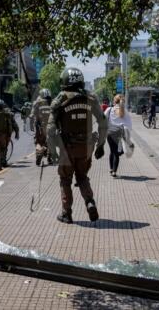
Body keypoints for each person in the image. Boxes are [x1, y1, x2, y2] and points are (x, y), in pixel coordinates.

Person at [47, 67, 108, 224]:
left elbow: (50, 129)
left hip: (67, 148)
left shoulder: (59, 100)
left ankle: (66, 213)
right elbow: (103, 123)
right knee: (82, 177)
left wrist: (52, 150)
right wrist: (101, 145)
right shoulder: (91, 97)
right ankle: (90, 202)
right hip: (86, 148)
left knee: (65, 179)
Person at [105, 94, 133, 177]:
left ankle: (111, 169)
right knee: (117, 153)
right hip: (119, 134)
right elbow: (129, 124)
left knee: (112, 151)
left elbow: (102, 119)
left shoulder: (109, 109)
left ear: (114, 101)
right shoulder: (124, 111)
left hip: (110, 133)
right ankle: (114, 171)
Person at [30, 89, 53, 166]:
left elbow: (32, 115)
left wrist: (31, 125)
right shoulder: (52, 102)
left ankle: (39, 151)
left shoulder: (36, 103)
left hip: (39, 127)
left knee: (38, 142)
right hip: (50, 126)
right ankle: (50, 158)